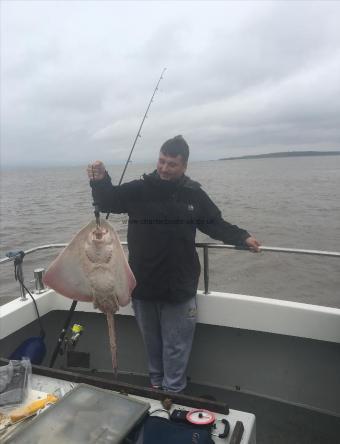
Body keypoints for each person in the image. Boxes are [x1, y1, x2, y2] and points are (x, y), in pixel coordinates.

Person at [87, 135, 260, 393]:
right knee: (152, 344)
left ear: (184, 166)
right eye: (162, 161)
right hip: (143, 286)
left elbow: (215, 223)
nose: (165, 168)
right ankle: (157, 387)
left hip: (179, 287)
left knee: (176, 347)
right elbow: (109, 201)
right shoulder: (139, 189)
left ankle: (174, 392)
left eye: (172, 164)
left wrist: (242, 236)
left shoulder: (194, 194)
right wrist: (100, 180)